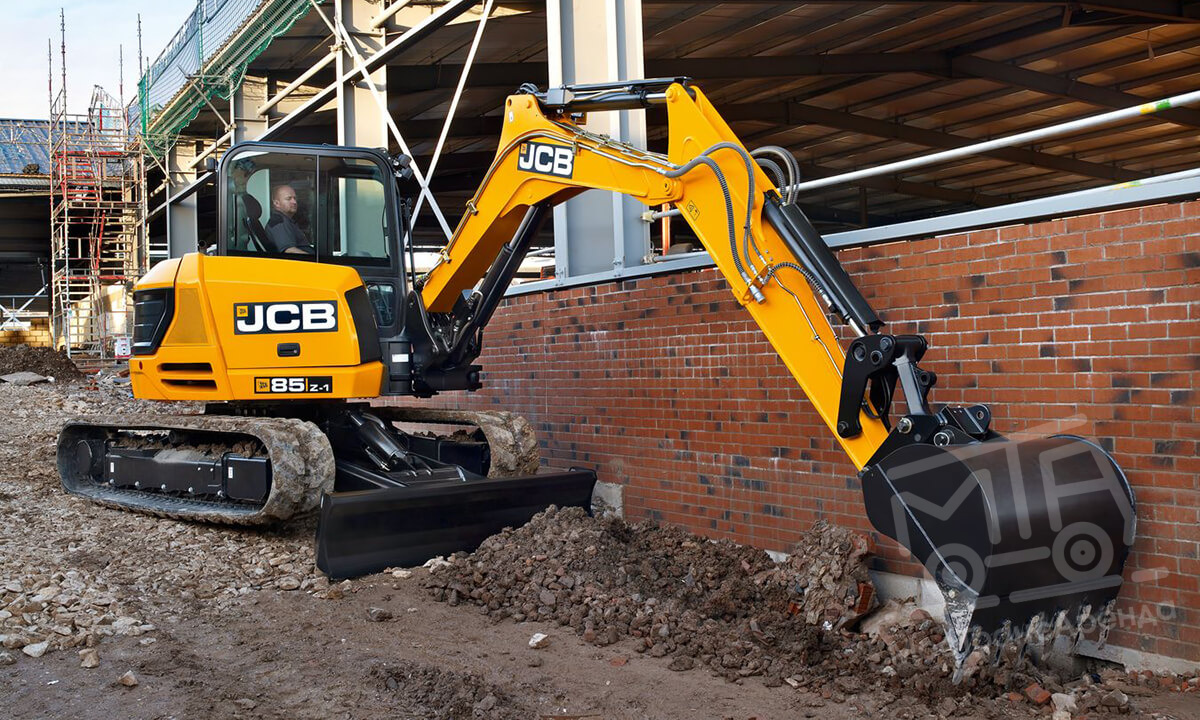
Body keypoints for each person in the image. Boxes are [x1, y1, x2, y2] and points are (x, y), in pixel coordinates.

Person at [265, 184, 311, 254]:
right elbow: (289, 250)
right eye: (288, 199)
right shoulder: (279, 222)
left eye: (295, 198)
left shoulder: (286, 220)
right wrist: (315, 261)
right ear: (276, 203)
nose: (294, 202)